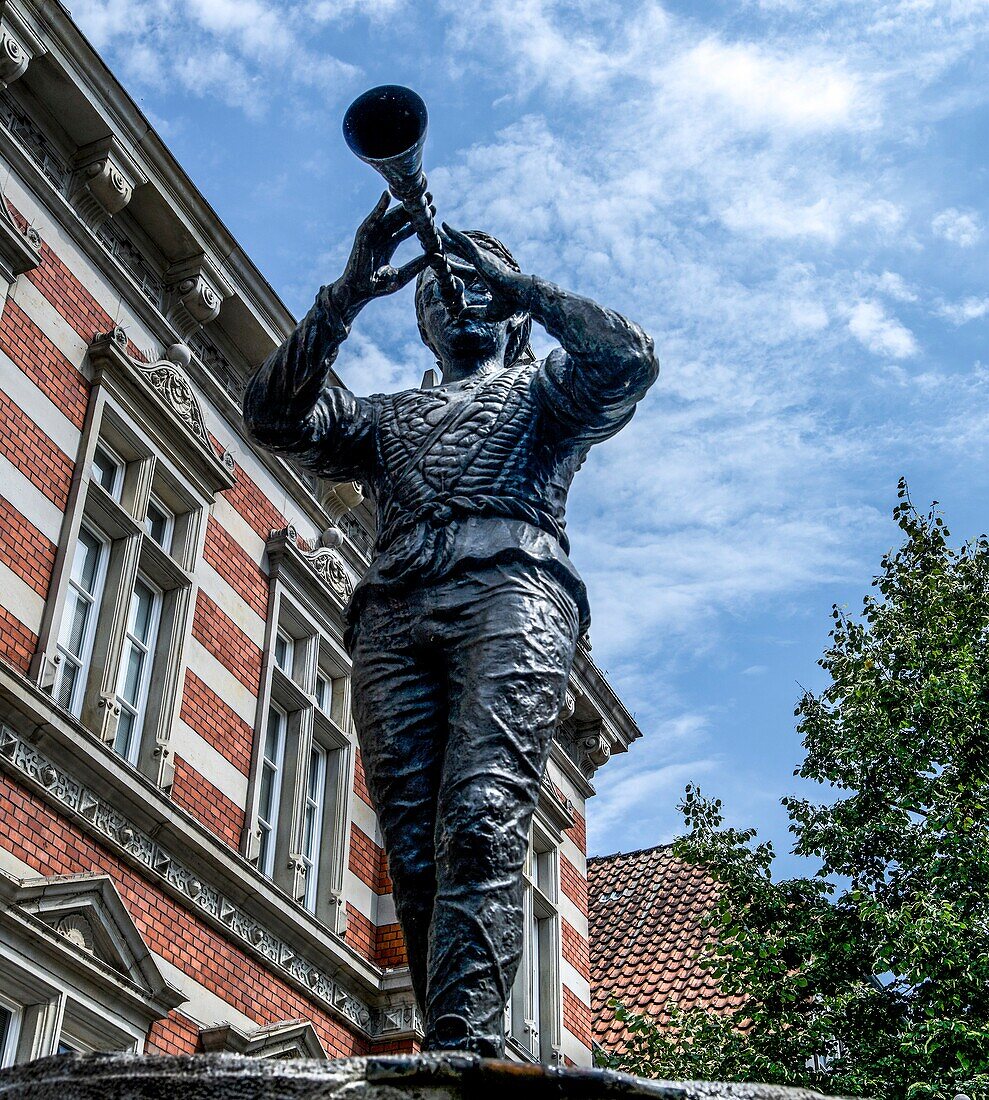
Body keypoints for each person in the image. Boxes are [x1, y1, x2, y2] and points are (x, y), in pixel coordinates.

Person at [243, 192, 659, 1056]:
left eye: (470, 285)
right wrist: (349, 292)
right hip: (394, 611)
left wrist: (519, 283)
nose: (454, 298)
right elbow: (273, 417)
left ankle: (469, 1041)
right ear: (422, 320)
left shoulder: (546, 393)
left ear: (508, 312)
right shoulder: (386, 417)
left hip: (514, 593)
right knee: (414, 847)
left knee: (479, 814)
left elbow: (625, 357)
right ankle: (453, 1038)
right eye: (437, 290)